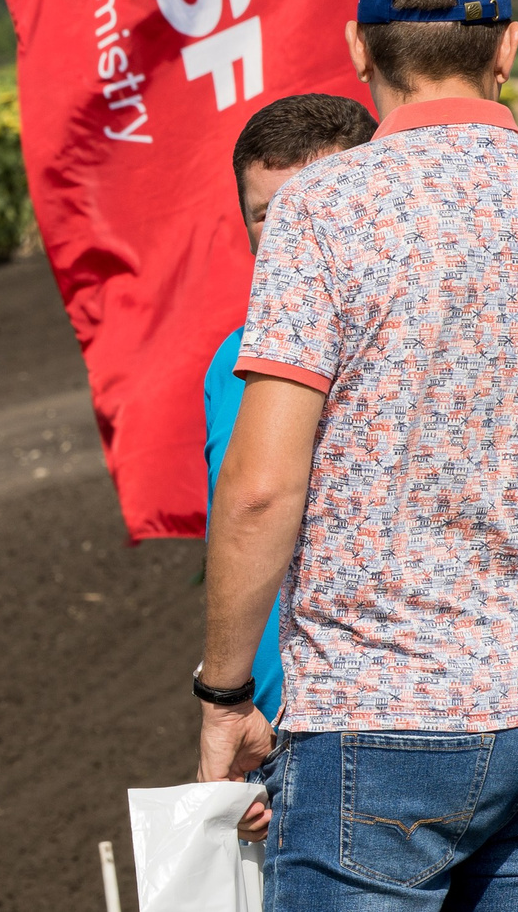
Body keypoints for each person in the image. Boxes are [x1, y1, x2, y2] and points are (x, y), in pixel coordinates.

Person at [198, 0, 518, 909]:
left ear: (356, 49)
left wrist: (224, 693)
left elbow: (257, 488)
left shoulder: (323, 212)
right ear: (507, 46)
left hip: (371, 724)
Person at [201, 93, 379, 726]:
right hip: (274, 718)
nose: (293, 239)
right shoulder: (231, 361)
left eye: (317, 211)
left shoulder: (441, 345)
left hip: (397, 714)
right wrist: (229, 697)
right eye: (268, 216)